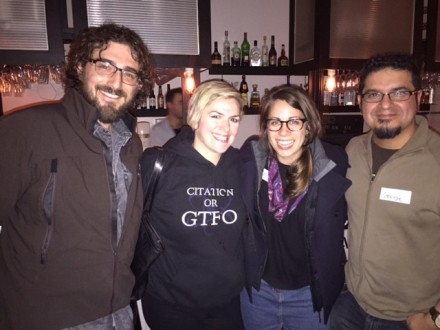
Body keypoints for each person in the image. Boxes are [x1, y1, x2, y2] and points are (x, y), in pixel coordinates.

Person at [0, 23, 154, 329]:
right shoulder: (24, 131)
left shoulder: (132, 143)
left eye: (129, 73)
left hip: (119, 313)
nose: (116, 81)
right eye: (106, 66)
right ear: (81, 66)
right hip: (46, 317)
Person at [329, 53, 440, 330]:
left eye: (399, 92)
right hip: (349, 305)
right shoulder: (353, 149)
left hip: (409, 318)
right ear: (360, 101)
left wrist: (436, 317)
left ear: (418, 97)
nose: (385, 105)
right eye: (374, 94)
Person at [240, 84, 351, 329]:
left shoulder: (334, 165)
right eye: (275, 122)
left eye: (293, 121)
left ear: (308, 125)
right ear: (266, 128)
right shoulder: (250, 162)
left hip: (309, 298)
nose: (283, 131)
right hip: (260, 295)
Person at [139, 80, 246, 329]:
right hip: (172, 305)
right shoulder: (159, 164)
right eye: (216, 115)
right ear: (196, 117)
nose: (225, 127)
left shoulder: (243, 166)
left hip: (228, 304)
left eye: (234, 119)